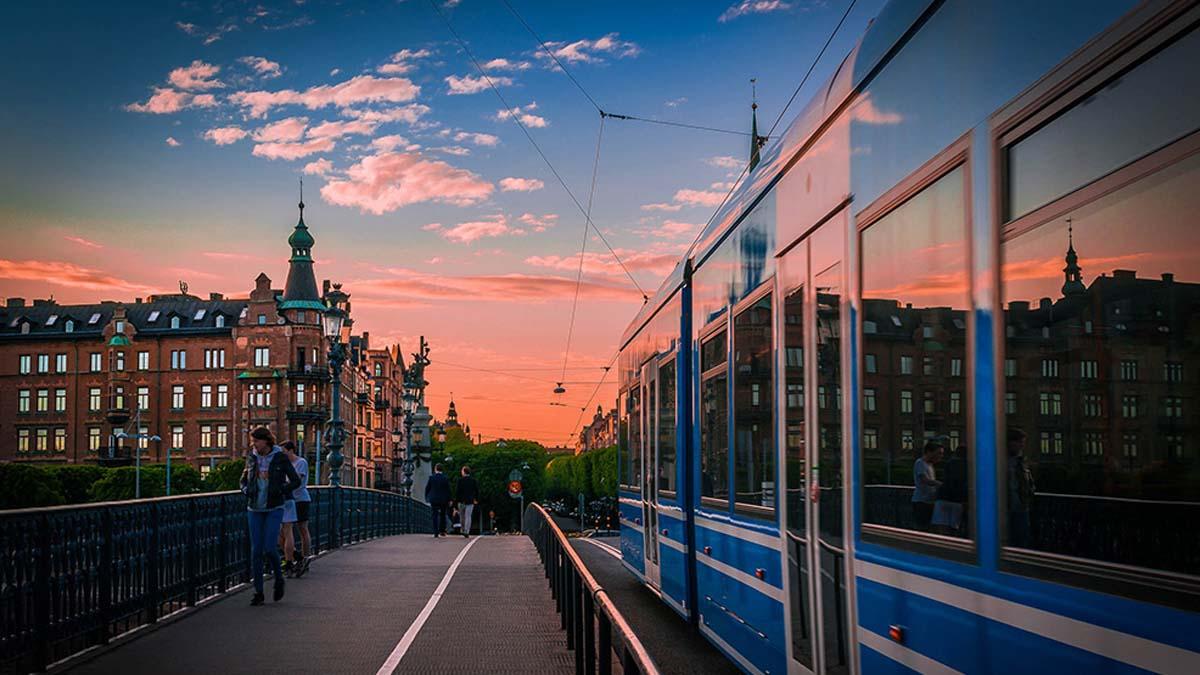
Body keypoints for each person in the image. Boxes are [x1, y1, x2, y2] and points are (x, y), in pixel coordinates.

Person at [240, 427, 301, 606]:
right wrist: (246, 491)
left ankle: (279, 579)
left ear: (266, 441)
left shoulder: (279, 457)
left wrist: (281, 490)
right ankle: (258, 592)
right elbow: (243, 479)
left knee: (269, 548)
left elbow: (295, 480)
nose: (254, 445)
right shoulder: (251, 457)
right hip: (254, 508)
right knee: (256, 550)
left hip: (274, 507)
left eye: (256, 441)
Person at [278, 441, 312, 578]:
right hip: (288, 499)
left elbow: (296, 480)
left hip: (301, 499)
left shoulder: (301, 462)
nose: (282, 454)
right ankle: (296, 556)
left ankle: (305, 557)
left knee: (302, 529)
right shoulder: (284, 464)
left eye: (284, 451)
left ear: (291, 450)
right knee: (282, 533)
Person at [1006, 428, 1035, 547]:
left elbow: (1029, 482)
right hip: (1006, 508)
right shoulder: (1000, 461)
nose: (1022, 446)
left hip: (1021, 507)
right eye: (1020, 443)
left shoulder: (1022, 461)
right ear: (1011, 443)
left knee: (1021, 541)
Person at [933, 442, 967, 535]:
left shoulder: (950, 463)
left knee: (942, 527)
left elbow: (946, 478)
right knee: (954, 527)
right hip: (958, 500)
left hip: (943, 497)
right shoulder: (969, 465)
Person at [911, 440, 944, 530]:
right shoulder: (920, 463)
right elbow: (925, 480)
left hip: (930, 501)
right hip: (921, 502)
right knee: (922, 528)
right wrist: (940, 484)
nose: (941, 456)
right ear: (929, 452)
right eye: (938, 453)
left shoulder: (930, 465)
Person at [425, 463, 451, 537]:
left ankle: (435, 532)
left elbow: (427, 488)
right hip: (443, 499)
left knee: (434, 515)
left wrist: (427, 497)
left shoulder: (431, 477)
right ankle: (442, 531)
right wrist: (449, 499)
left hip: (434, 499)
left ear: (435, 469)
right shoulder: (445, 478)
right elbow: (448, 490)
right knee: (443, 515)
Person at [456, 465, 479, 537]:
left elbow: (457, 491)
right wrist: (476, 499)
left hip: (461, 501)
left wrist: (456, 501)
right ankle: (467, 530)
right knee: (468, 516)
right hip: (470, 501)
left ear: (464, 472)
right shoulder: (473, 481)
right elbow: (476, 491)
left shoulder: (460, 481)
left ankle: (463, 529)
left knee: (462, 517)